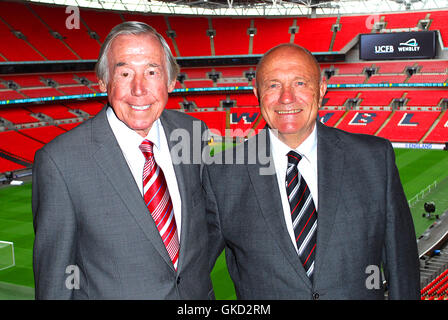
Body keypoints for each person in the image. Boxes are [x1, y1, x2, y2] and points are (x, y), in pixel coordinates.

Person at [205, 43, 420, 299]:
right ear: (257, 93)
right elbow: (191, 270)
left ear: (321, 90)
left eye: (300, 83)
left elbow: (402, 265)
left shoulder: (374, 159)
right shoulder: (221, 175)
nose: (286, 98)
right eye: (273, 85)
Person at [32, 21, 213, 299]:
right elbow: (56, 280)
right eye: (125, 73)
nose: (139, 89)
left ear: (171, 81)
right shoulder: (59, 162)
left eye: (152, 72)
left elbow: (206, 228)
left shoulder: (192, 133)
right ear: (103, 81)